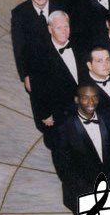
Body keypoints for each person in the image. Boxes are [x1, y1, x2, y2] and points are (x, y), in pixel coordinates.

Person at [53, 84, 110, 215]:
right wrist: (90, 191)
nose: (91, 102)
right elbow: (64, 167)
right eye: (85, 98)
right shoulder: (63, 128)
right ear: (77, 100)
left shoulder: (109, 117)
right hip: (83, 187)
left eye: (94, 97)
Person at [29, 11, 87, 148]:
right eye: (59, 27)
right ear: (50, 29)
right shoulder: (40, 54)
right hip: (58, 114)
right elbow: (37, 89)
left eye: (66, 26)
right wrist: (45, 114)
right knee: (62, 149)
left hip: (81, 109)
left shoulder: (79, 45)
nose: (64, 31)